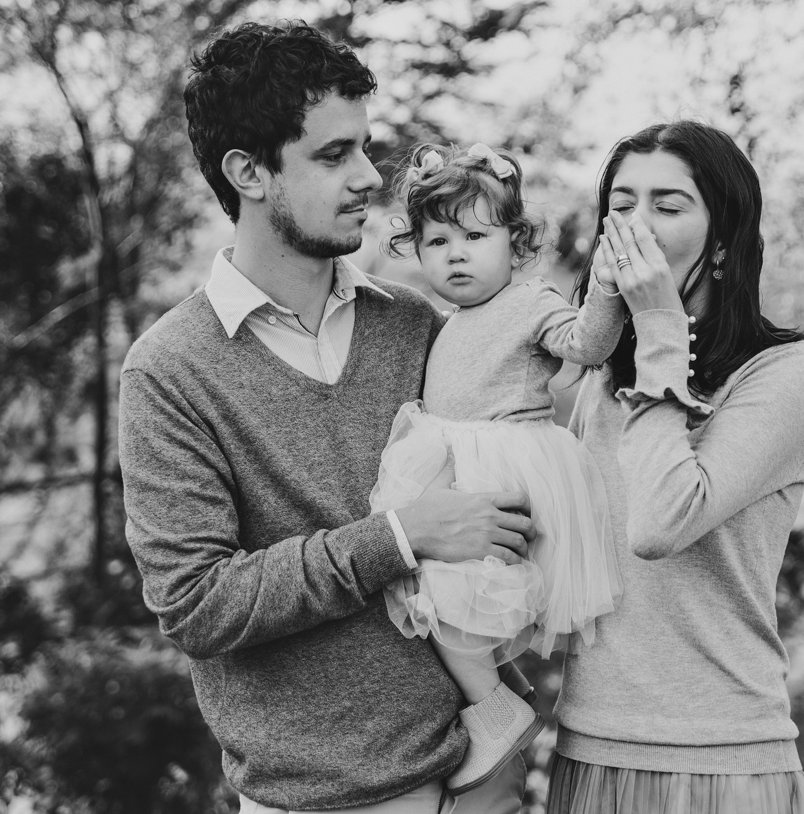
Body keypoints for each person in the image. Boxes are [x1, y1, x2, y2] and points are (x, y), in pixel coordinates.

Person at [118, 21, 537, 814]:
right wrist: (398, 537)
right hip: (315, 800)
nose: (369, 178)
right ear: (248, 171)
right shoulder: (169, 370)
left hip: (477, 777)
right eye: (333, 154)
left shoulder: (414, 325)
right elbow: (197, 603)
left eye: (364, 148)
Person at [546, 121, 804, 814]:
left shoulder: (786, 371)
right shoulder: (601, 381)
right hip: (588, 748)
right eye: (621, 205)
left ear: (724, 243)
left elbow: (659, 525)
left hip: (720, 760)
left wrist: (660, 330)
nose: (636, 226)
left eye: (667, 206)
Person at [369, 143, 624, 795]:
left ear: (516, 243)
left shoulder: (530, 302)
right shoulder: (445, 318)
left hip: (504, 465)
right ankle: (499, 693)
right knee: (430, 583)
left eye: (476, 237)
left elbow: (587, 344)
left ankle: (495, 709)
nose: (456, 254)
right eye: (438, 241)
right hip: (455, 459)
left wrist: (607, 286)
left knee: (451, 590)